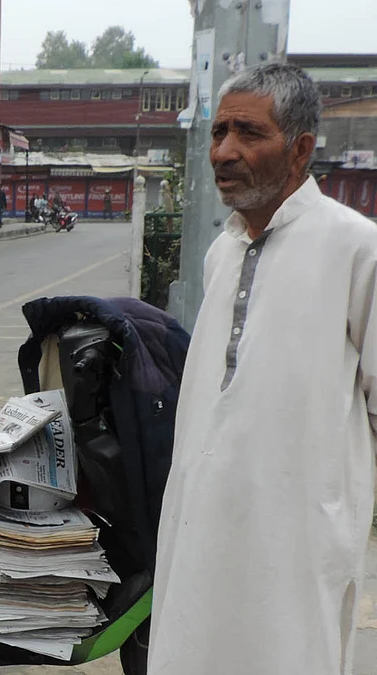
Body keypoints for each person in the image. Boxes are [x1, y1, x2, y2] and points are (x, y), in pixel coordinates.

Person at [149, 63, 377, 675]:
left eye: (248, 133)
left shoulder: (357, 247)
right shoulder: (222, 250)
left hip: (298, 536)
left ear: (300, 150)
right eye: (219, 132)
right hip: (204, 522)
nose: (224, 151)